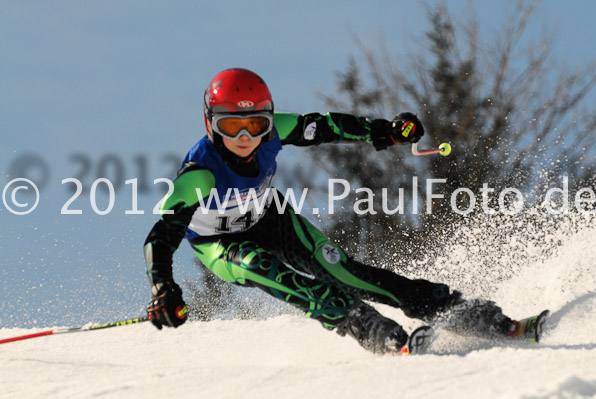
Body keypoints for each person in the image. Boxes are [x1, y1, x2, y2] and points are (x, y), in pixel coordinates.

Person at [144, 68, 517, 354]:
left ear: (268, 122)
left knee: (343, 271)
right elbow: (161, 236)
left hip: (268, 218)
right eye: (231, 126)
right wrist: (163, 287)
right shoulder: (200, 176)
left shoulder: (272, 136)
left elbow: (322, 126)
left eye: (256, 125)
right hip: (221, 243)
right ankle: (369, 328)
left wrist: (384, 131)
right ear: (210, 123)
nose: (245, 138)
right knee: (267, 270)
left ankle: (452, 308)